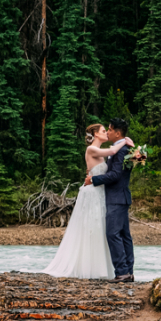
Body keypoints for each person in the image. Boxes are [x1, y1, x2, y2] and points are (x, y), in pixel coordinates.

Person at [42, 124, 131, 279]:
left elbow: (111, 170)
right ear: (96, 134)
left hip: (101, 193)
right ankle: (89, 268)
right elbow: (112, 151)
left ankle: (107, 268)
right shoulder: (92, 149)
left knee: (102, 229)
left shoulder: (102, 154)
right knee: (92, 228)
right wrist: (125, 141)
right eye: (104, 131)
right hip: (92, 194)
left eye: (107, 130)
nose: (106, 133)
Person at [89, 117, 141, 282]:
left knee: (113, 234)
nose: (108, 132)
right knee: (124, 235)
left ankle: (122, 272)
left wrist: (94, 180)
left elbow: (115, 175)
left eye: (110, 130)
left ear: (117, 132)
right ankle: (128, 272)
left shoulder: (121, 150)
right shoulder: (123, 148)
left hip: (116, 198)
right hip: (121, 197)